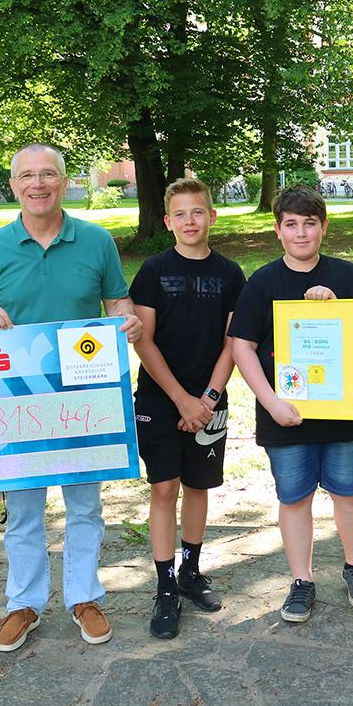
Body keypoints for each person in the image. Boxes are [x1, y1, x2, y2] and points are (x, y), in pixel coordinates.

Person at [0, 143, 142, 651]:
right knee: (23, 510)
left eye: (47, 175)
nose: (37, 184)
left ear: (63, 181)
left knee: (84, 505)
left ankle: (84, 598)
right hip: (16, 398)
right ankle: (24, 603)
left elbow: (117, 301)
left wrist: (126, 319)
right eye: (26, 176)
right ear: (13, 185)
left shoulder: (96, 240)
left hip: (83, 394)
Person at [229, 185, 353, 623]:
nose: (301, 233)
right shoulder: (263, 282)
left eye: (309, 224)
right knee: (294, 498)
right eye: (291, 224)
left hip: (341, 412)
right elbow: (241, 347)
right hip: (286, 415)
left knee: (349, 493)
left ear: (324, 227)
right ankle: (302, 580)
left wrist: (339, 309)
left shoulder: (346, 275)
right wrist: (272, 403)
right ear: (278, 230)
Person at [130, 178, 245, 639]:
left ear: (212, 216)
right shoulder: (153, 271)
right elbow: (144, 342)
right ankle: (164, 587)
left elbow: (234, 342)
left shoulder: (231, 274)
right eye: (180, 214)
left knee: (198, 486)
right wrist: (181, 399)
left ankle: (190, 571)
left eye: (198, 212)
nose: (190, 221)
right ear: (167, 221)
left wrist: (209, 399)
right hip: (160, 398)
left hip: (209, 399)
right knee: (165, 487)